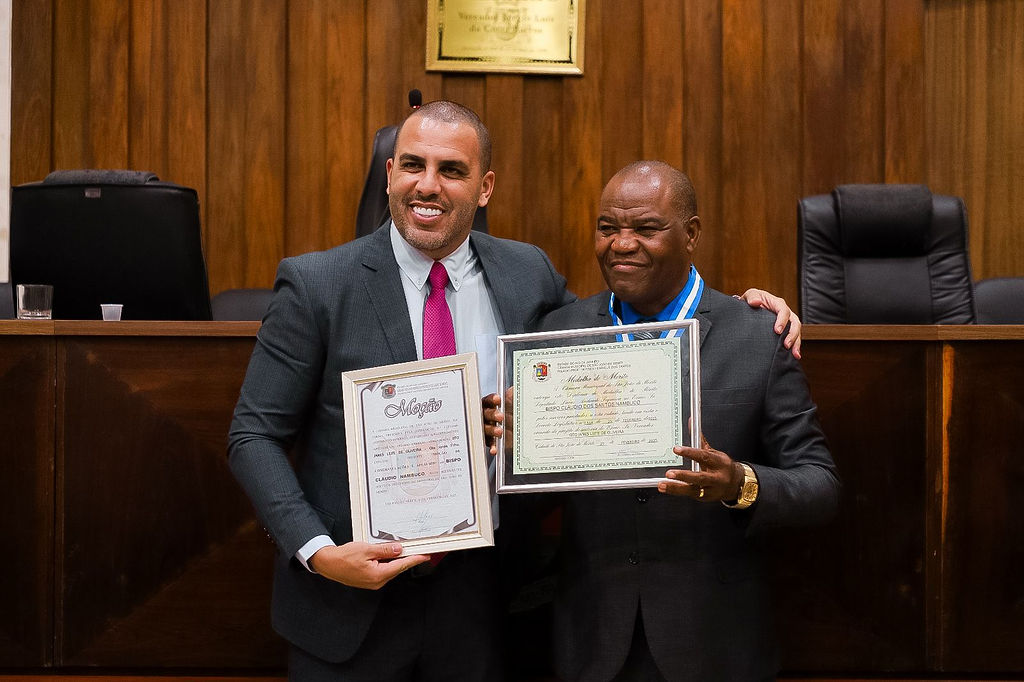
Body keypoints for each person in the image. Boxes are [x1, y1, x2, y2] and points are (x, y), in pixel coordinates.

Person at [229, 101, 804, 681]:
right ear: (389, 175)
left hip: (481, 599)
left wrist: (742, 311)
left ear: (485, 188)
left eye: (452, 170)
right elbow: (253, 435)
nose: (427, 185)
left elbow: (618, 336)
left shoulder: (527, 275)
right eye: (412, 165)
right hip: (346, 601)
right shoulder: (317, 284)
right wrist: (319, 552)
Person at [525, 161, 840, 681]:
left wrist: (740, 483)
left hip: (714, 641)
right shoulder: (557, 335)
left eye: (646, 228)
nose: (622, 244)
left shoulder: (758, 336)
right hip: (591, 639)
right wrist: (513, 443)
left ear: (691, 234)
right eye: (607, 228)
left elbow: (820, 484)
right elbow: (531, 498)